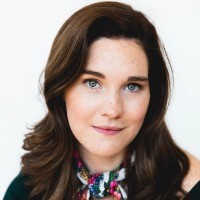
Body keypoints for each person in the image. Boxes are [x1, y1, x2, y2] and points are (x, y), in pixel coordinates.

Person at [3, 1, 200, 200]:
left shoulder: (191, 188)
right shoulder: (25, 191)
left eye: (132, 87)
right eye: (92, 83)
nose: (113, 110)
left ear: (153, 95)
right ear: (61, 87)